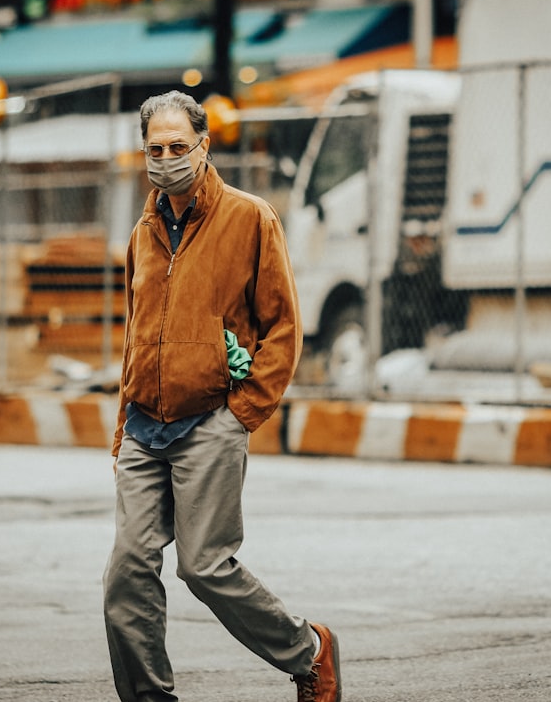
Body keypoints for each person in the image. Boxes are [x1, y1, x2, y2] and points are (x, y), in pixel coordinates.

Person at [103, 90, 342, 702]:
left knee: (204, 567)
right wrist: (123, 420)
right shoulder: (143, 233)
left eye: (178, 147)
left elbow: (283, 327)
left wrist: (243, 414)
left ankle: (308, 652)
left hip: (210, 418)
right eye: (154, 149)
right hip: (143, 426)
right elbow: (136, 332)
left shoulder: (250, 218)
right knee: (126, 575)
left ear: (204, 146)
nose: (166, 159)